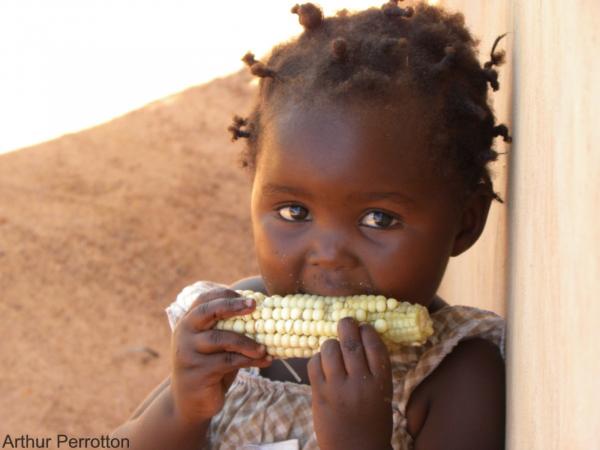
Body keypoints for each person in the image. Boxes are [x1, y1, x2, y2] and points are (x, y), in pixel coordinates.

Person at [111, 1, 510, 449]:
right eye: (294, 212)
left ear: (465, 224)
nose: (329, 253)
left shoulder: (455, 376)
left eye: (378, 219)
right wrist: (181, 410)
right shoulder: (237, 331)